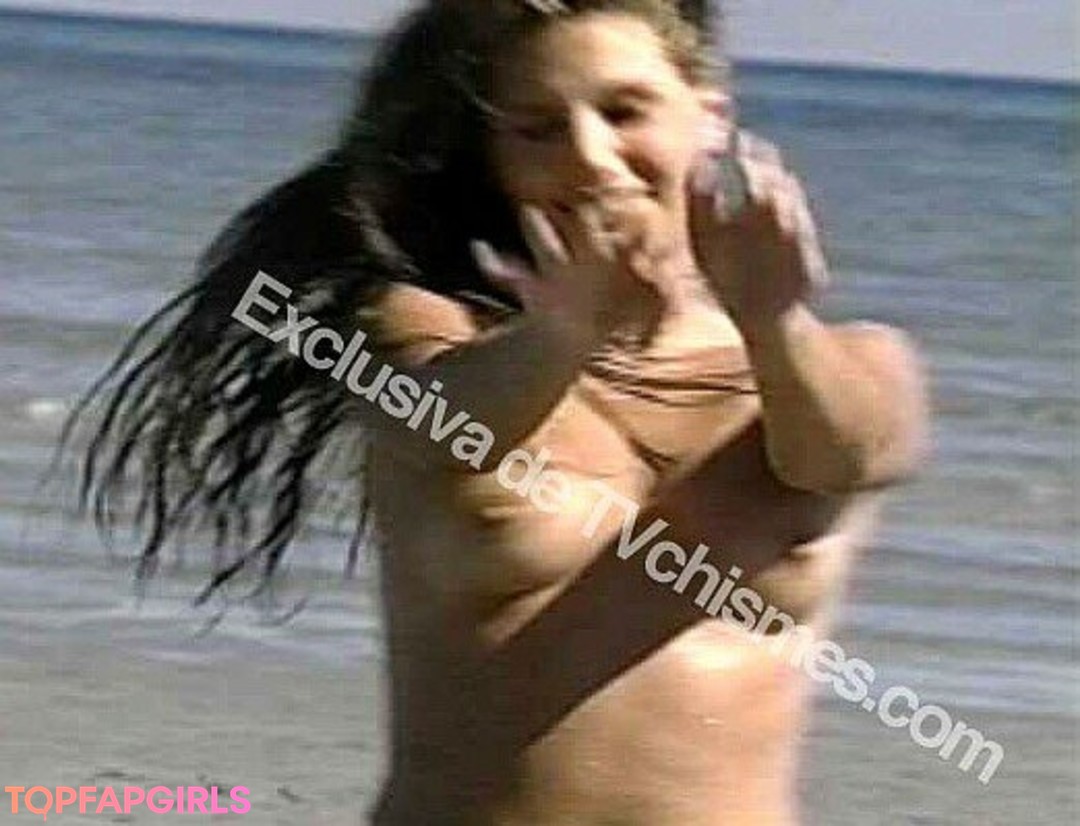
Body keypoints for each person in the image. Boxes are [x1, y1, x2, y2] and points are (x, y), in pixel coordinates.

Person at [66, 0, 929, 823]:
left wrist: (772, 321)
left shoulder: (859, 363)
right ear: (495, 158)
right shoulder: (423, 330)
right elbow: (440, 428)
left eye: (624, 111)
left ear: (708, 114)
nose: (589, 155)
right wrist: (566, 333)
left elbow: (843, 456)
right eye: (537, 128)